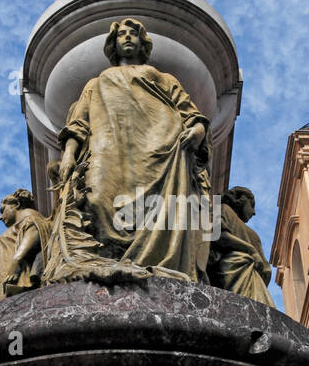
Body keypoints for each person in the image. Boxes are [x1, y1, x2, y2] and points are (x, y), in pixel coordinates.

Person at [44, 18, 211, 285]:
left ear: (142, 43)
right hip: (107, 148)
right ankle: (108, 261)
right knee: (96, 199)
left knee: (157, 210)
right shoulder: (96, 82)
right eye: (122, 34)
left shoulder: (162, 78)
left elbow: (190, 112)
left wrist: (199, 131)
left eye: (133, 34)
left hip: (160, 147)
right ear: (114, 44)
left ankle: (150, 265)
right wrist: (69, 154)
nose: (128, 38)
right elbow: (78, 123)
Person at [0, 189, 51, 303]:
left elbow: (35, 232)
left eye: (3, 210)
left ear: (17, 205)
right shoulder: (22, 223)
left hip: (13, 282)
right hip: (3, 283)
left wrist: (16, 262)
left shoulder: (31, 218)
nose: (0, 217)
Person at [207, 186, 275, 306]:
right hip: (234, 271)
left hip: (255, 280)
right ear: (241, 199)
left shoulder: (254, 235)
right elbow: (218, 236)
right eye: (252, 205)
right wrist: (250, 250)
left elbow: (265, 269)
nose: (254, 213)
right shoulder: (221, 209)